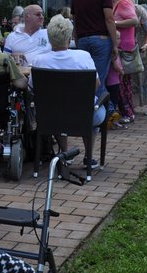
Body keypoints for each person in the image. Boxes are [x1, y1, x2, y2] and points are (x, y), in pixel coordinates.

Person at [30, 15, 107, 168]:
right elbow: (96, 84)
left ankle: (65, 153)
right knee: (94, 111)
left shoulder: (39, 61)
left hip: (51, 116)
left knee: (56, 107)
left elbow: (33, 87)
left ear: (50, 38)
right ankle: (88, 155)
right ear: (70, 36)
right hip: (83, 115)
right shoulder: (83, 57)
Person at [71, 0, 119, 108]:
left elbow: (75, 20)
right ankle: (103, 115)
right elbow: (109, 19)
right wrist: (115, 44)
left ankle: (93, 111)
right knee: (98, 79)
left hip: (83, 40)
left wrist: (78, 40)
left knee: (86, 78)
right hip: (101, 40)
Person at [106, 0, 139, 127]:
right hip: (122, 45)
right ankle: (125, 112)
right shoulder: (120, 2)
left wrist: (113, 24)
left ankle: (128, 113)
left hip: (123, 46)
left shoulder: (123, 3)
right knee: (120, 81)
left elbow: (134, 20)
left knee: (122, 83)